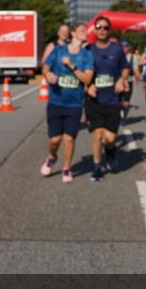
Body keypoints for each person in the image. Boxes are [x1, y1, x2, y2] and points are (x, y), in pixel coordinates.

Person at [40, 24, 94, 184]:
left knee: (69, 139)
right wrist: (48, 74)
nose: (85, 32)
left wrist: (72, 66)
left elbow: (87, 79)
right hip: (56, 101)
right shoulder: (58, 50)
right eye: (82, 30)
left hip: (75, 104)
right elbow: (45, 68)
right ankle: (52, 157)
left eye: (86, 31)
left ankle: (66, 168)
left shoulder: (87, 55)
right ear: (73, 33)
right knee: (55, 140)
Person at [83, 17, 130, 182]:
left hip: (113, 99)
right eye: (99, 27)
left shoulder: (117, 49)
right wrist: (87, 86)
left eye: (105, 27)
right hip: (94, 100)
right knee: (97, 134)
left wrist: (121, 79)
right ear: (95, 30)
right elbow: (80, 72)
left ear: (109, 30)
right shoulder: (88, 49)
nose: (102, 30)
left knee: (110, 138)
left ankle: (110, 151)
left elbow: (125, 68)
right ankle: (96, 167)